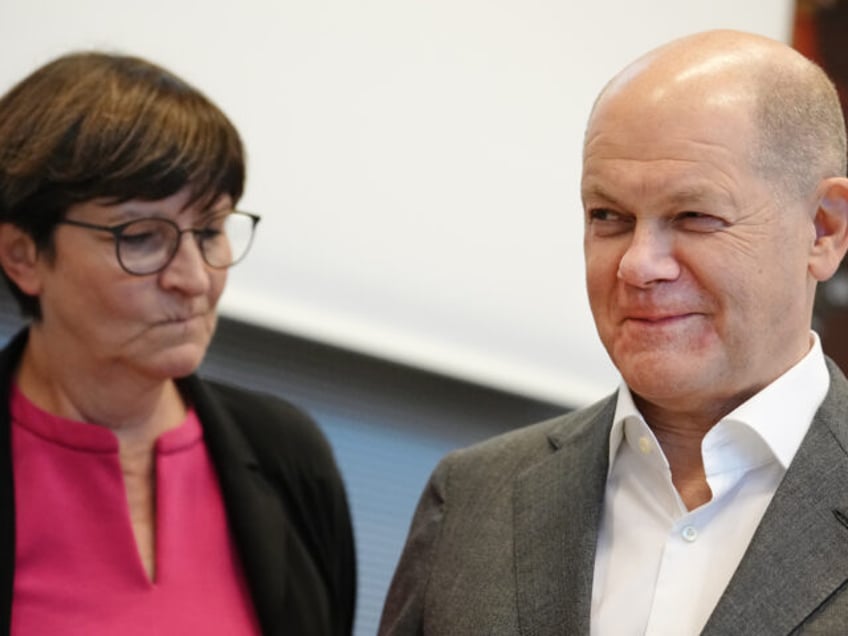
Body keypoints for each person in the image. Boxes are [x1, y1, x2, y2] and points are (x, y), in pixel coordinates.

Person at [378, 29, 848, 635]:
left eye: (693, 217)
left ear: (822, 229)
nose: (637, 264)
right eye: (609, 217)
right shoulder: (472, 501)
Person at [0, 52, 355, 635]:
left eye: (211, 230)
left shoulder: (288, 457)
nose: (193, 279)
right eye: (141, 239)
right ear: (23, 255)